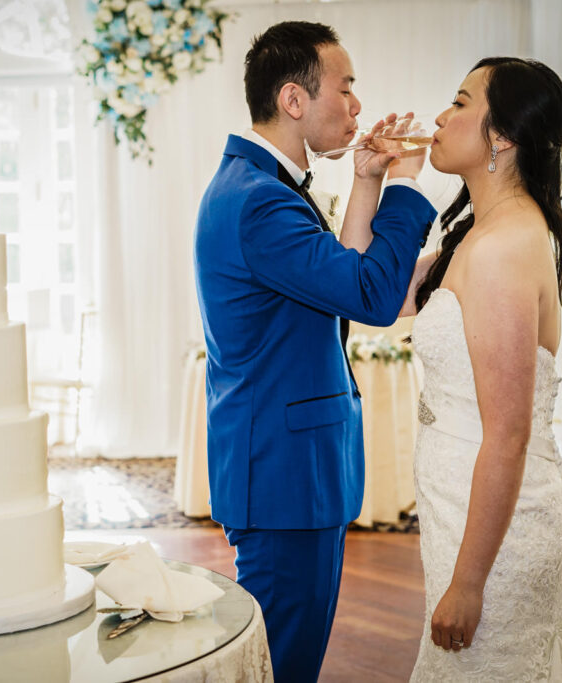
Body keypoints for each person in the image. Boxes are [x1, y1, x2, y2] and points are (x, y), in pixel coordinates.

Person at [399, 57, 562, 680]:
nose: (440, 115)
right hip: (461, 508)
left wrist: (468, 584)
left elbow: (509, 432)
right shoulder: (479, 232)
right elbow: (372, 294)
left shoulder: (504, 248)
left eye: (459, 102)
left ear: (504, 134)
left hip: (496, 537)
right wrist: (381, 180)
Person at [193, 21, 437, 682]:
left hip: (287, 466)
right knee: (281, 665)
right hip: (283, 473)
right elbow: (371, 294)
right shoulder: (260, 203)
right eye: (346, 87)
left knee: (281, 656)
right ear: (294, 100)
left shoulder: (259, 186)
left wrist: (367, 181)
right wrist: (409, 185)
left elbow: (339, 277)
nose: (358, 105)